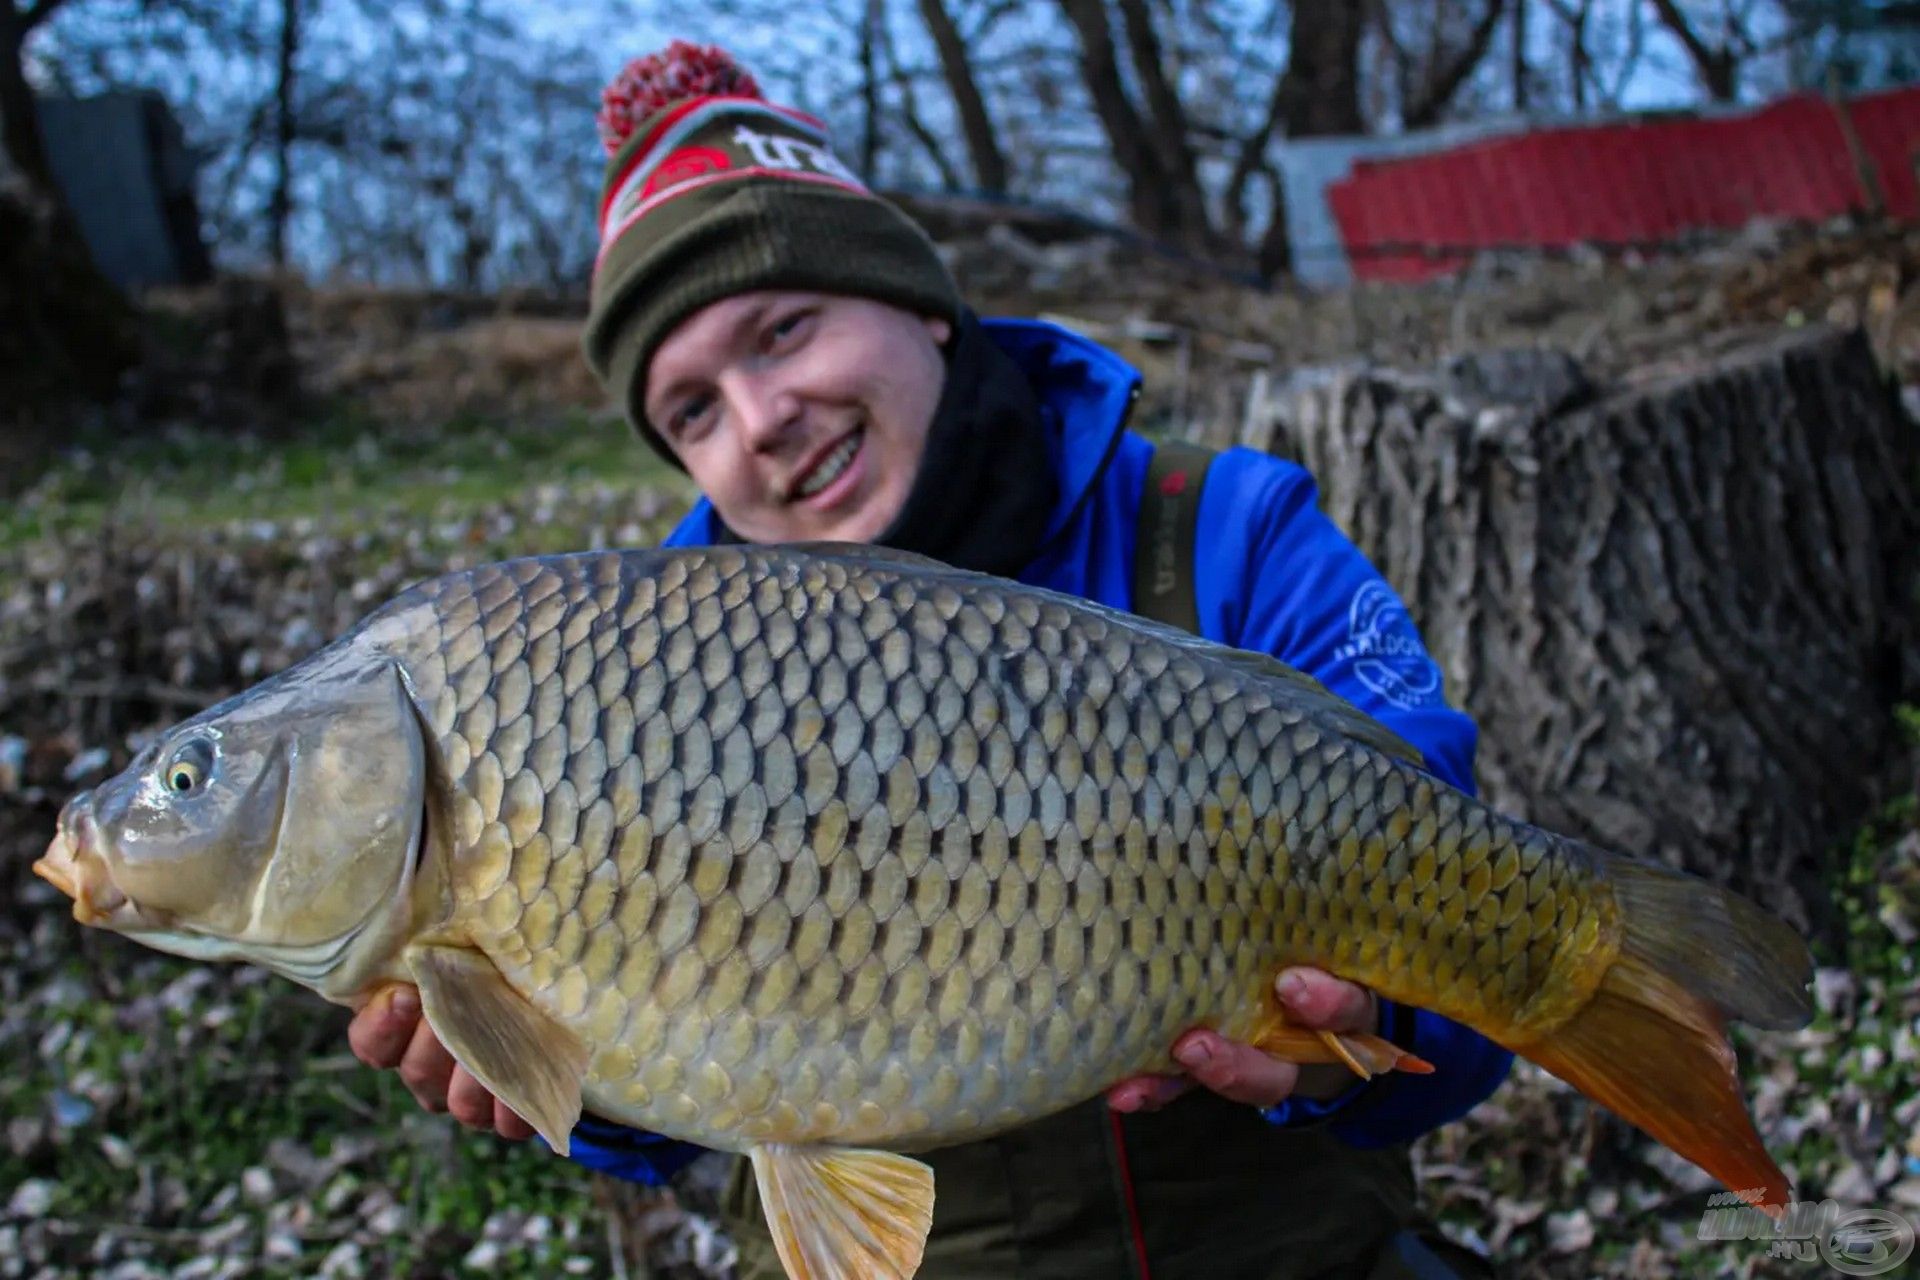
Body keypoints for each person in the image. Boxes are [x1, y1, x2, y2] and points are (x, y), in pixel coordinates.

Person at [349, 41, 1513, 1280]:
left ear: (916, 297)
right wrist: (567, 1075)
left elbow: (1474, 974)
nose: (761, 419)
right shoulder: (619, 684)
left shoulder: (1222, 530)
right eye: (692, 410)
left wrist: (1375, 1022)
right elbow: (650, 1098)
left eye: (783, 329)